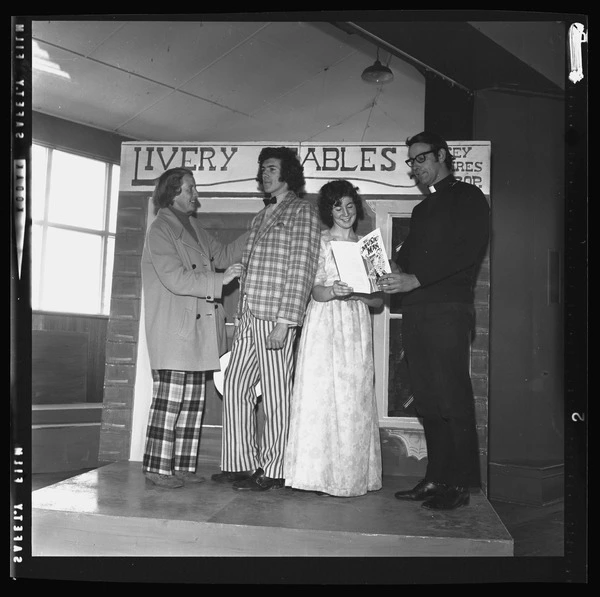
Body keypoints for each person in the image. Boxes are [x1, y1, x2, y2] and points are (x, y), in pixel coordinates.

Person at [377, 131, 490, 510]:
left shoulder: (468, 198)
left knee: (451, 398)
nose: (415, 168)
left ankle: (458, 486)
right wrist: (388, 268)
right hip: (418, 312)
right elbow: (408, 260)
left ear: (442, 155)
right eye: (411, 162)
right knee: (426, 399)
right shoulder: (422, 210)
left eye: (420, 159)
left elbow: (467, 252)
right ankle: (435, 478)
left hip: (447, 312)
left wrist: (416, 279)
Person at [211, 147, 321, 491]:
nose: (265, 175)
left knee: (275, 395)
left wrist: (286, 321)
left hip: (276, 317)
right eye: (263, 170)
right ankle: (241, 462)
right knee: (235, 385)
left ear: (287, 172)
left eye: (271, 169)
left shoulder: (303, 211)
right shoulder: (260, 217)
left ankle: (275, 468)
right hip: (249, 315)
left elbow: (301, 268)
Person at [141, 167, 248, 488]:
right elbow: (174, 277)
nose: (195, 195)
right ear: (172, 192)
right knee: (170, 401)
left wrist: (258, 227)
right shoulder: (160, 229)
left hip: (196, 330)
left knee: (192, 402)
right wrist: (221, 279)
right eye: (190, 189)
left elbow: (226, 254)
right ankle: (157, 469)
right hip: (174, 329)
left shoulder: (196, 228)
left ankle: (183, 467)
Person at [284, 180, 383, 497]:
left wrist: (358, 294)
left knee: (352, 399)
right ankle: (315, 476)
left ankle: (348, 476)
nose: (345, 212)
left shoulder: (370, 247)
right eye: (337, 206)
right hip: (324, 324)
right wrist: (333, 291)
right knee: (320, 396)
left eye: (350, 205)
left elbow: (379, 302)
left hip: (354, 327)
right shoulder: (319, 241)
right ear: (329, 210)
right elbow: (314, 290)